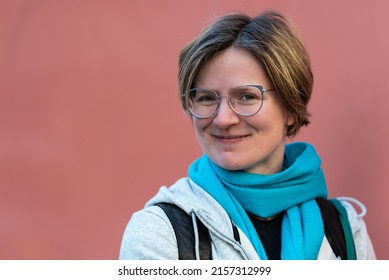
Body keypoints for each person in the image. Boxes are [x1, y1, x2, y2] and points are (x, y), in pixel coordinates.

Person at [119, 10, 376, 260]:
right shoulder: (161, 233)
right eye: (207, 98)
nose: (223, 119)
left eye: (246, 97)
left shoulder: (345, 229)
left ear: (290, 107)